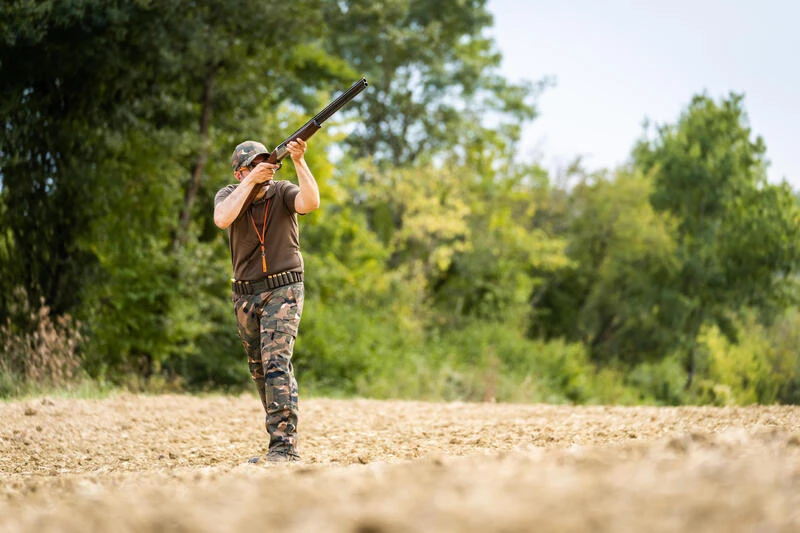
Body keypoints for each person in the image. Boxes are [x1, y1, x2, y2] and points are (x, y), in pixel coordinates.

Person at [213, 138, 320, 463]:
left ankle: (284, 448)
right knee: (261, 371)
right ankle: (281, 439)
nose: (264, 169)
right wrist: (252, 182)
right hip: (245, 293)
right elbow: (222, 219)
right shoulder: (229, 195)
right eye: (254, 165)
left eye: (266, 162)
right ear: (238, 172)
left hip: (283, 289)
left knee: (276, 365)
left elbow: (310, 202)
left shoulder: (283, 190)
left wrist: (300, 161)